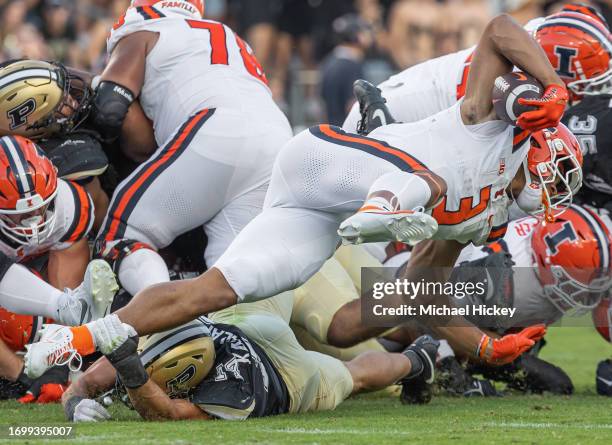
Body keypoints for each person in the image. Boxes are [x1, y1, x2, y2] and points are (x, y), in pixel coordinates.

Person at [24, 13, 570, 378]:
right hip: (328, 160)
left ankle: (78, 343)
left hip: (316, 213)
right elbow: (500, 28)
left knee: (216, 291)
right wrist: (551, 84)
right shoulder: (488, 124)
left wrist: (481, 345)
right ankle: (384, 207)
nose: (549, 190)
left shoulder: (481, 219)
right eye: (555, 173)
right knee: (429, 184)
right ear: (539, 147)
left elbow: (417, 289)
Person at [82, 0, 291, 301]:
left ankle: (170, 324)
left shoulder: (146, 29)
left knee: (120, 238)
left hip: (214, 132)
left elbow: (111, 109)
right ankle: (379, 323)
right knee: (235, 287)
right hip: (277, 139)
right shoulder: (229, 36)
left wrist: (96, 85)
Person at [60, 300, 440, 422]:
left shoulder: (224, 390)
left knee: (352, 375)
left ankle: (415, 361)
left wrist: (127, 369)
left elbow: (168, 414)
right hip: (244, 326)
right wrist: (76, 402)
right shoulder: (218, 380)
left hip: (282, 371)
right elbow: (79, 387)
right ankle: (417, 358)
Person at [0, 134, 117, 400]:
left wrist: (59, 361)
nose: (32, 223)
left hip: (30, 272)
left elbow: (67, 302)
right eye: (19, 216)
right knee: (16, 323)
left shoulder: (69, 206)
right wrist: (23, 374)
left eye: (40, 209)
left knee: (67, 308)